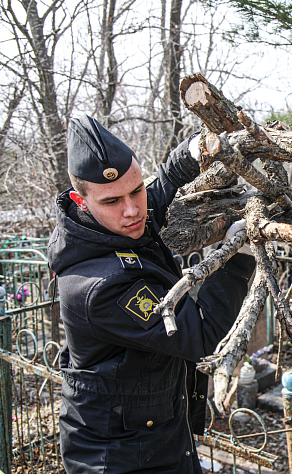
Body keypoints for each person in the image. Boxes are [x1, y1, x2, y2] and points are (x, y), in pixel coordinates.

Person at [47, 115, 255, 473]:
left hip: (153, 433)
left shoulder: (99, 229)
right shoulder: (100, 286)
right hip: (120, 459)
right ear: (81, 200)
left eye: (136, 190)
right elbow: (201, 333)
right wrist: (238, 255)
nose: (132, 211)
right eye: (112, 201)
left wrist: (188, 155)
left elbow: (154, 199)